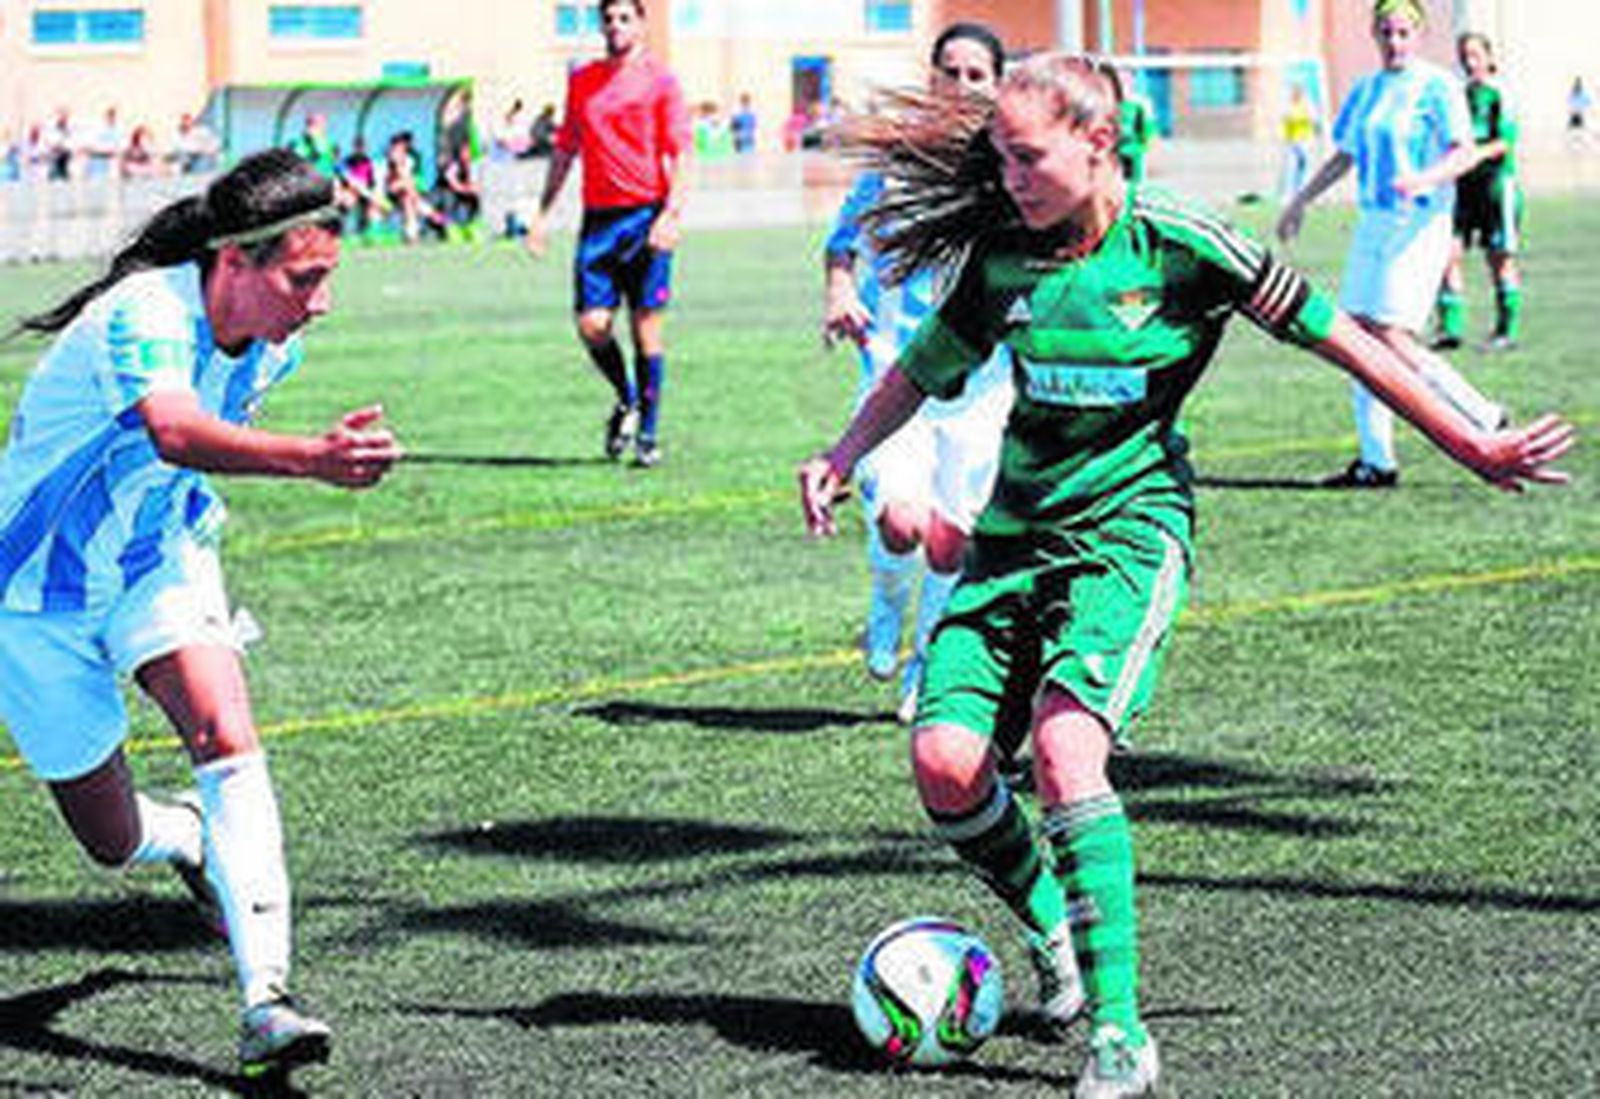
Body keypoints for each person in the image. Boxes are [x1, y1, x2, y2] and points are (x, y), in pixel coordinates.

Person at [798, 52, 1573, 1099]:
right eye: (1000, 158)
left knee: (1068, 751)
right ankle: (1050, 934)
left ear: (1098, 143)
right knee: (943, 764)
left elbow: (1347, 341)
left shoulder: (1182, 245)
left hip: (1127, 532)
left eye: (1027, 158)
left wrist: (1469, 442)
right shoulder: (1000, 260)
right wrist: (842, 456)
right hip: (1014, 536)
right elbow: (918, 370)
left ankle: (1119, 1036)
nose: (1010, 177)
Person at [0, 148, 402, 1077]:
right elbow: (174, 430)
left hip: (159, 559)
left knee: (228, 732)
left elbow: (176, 462)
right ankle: (183, 832)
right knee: (108, 840)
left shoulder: (275, 338)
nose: (320, 303)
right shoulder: (142, 315)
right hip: (34, 592)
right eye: (304, 278)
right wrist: (313, 457)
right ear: (234, 265)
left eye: (328, 277)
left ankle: (268, 998)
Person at [823, 21, 1014, 723]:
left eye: (976, 74)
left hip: (985, 387)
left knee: (950, 540)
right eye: (950, 72)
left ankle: (927, 667)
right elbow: (841, 243)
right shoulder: (896, 165)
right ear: (931, 78)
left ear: (997, 85)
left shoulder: (1013, 165)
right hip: (897, 375)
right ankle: (886, 599)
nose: (961, 86)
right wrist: (840, 291)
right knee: (903, 523)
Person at [1279, 0, 1506, 488]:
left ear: (1419, 35)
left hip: (1420, 224)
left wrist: (1425, 179)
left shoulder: (1438, 85)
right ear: (1374, 34)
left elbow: (1464, 152)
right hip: (1374, 222)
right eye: (1386, 31)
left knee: (1391, 336)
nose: (1395, 41)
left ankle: (1481, 415)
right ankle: (1376, 460)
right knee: (1355, 336)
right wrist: (1300, 200)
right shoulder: (1366, 90)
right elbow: (1344, 154)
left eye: (1403, 31)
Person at [526, 0, 691, 468]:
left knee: (646, 330)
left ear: (641, 23)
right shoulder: (582, 82)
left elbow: (681, 152)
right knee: (592, 325)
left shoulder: (662, 81)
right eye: (609, 18)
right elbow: (564, 152)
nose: (616, 26)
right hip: (598, 222)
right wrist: (541, 214)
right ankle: (628, 398)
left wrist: (671, 214)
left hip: (646, 218)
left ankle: (649, 437)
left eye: (625, 18)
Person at [1434, 33, 1524, 353]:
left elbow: (1506, 142)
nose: (1469, 62)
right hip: (1463, 189)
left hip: (1497, 188)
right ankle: (1450, 329)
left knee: (1498, 261)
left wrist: (1475, 154)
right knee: (1447, 255)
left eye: (1475, 55)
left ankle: (1506, 330)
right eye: (1464, 55)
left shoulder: (1501, 94)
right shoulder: (1460, 96)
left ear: (1488, 56)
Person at [1278, 83, 1319, 203]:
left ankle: (1306, 195)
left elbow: (1314, 121)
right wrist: (1285, 139)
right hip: (1292, 141)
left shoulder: (1307, 105)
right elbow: (1284, 123)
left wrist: (1316, 133)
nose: (1294, 94)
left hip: (1306, 140)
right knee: (1292, 168)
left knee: (1307, 169)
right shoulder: (1288, 106)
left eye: (1297, 92)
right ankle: (1289, 195)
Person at [1115, 85, 1155, 184]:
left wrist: (1146, 141)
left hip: (1134, 147)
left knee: (1135, 178)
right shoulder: (1114, 101)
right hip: (1123, 147)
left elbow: (1148, 126)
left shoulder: (1139, 102)